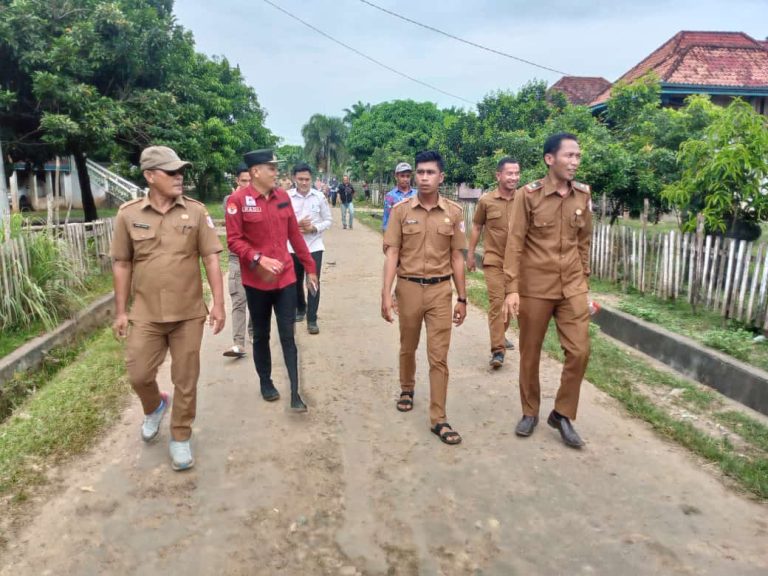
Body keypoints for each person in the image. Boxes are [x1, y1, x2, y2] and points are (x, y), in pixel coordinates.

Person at [111, 145, 225, 471]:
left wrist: (217, 303)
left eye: (180, 171)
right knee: (138, 373)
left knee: (185, 378)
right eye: (171, 172)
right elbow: (121, 263)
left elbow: (211, 258)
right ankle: (155, 406)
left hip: (188, 312)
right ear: (150, 176)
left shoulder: (197, 212)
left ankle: (180, 436)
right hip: (145, 312)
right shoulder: (128, 214)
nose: (180, 177)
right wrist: (121, 311)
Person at [503, 133, 593, 448]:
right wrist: (511, 288)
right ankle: (530, 411)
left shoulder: (583, 196)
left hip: (572, 287)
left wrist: (584, 282)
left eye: (578, 156)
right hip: (534, 287)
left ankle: (563, 413)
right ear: (549, 159)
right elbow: (514, 244)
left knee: (580, 351)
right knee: (530, 353)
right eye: (569, 155)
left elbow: (583, 242)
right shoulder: (528, 196)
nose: (575, 162)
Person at [381, 150, 468, 446]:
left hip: (440, 291)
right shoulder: (401, 210)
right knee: (408, 346)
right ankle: (407, 388)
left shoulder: (454, 212)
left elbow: (457, 256)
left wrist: (463, 298)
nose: (424, 177)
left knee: (438, 356)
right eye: (420, 172)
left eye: (430, 172)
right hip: (408, 289)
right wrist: (385, 292)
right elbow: (392, 252)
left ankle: (438, 418)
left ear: (441, 177)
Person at [226, 149, 318, 412]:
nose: (276, 173)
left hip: (286, 279)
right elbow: (234, 240)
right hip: (257, 283)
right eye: (272, 168)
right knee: (262, 334)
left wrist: (310, 268)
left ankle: (295, 392)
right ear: (256, 172)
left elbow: (295, 235)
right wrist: (258, 258)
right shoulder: (238, 200)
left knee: (288, 335)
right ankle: (266, 381)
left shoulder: (282, 198)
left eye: (276, 168)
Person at [467, 157, 521, 369]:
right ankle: (498, 350)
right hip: (494, 261)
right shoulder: (486, 201)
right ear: (498, 175)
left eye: (517, 173)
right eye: (510, 173)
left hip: (518, 264)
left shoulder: (525, 199)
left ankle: (501, 334)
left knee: (513, 305)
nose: (514, 177)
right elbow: (477, 227)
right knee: (497, 303)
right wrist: (470, 254)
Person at [288, 163, 332, 334]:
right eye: (300, 179)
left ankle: (312, 319)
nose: (304, 183)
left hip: (314, 246)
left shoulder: (319, 197)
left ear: (311, 179)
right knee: (295, 282)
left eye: (307, 179)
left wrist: (313, 228)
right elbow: (281, 221)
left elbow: (328, 220)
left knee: (313, 282)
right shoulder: (287, 197)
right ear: (294, 179)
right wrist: (295, 226)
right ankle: (300, 307)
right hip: (292, 247)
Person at [222, 165, 253, 359]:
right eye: (244, 181)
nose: (248, 185)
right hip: (237, 258)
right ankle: (238, 343)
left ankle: (253, 331)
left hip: (258, 259)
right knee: (239, 301)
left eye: (251, 181)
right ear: (237, 181)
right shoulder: (230, 201)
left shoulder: (260, 199)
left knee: (256, 301)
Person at [381, 162, 416, 232]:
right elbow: (387, 217)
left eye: (408, 176)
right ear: (396, 176)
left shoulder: (417, 194)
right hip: (396, 232)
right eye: (402, 176)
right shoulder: (390, 196)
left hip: (413, 233)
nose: (405, 179)